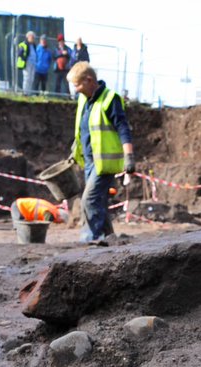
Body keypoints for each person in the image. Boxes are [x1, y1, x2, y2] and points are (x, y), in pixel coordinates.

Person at [67, 62, 135, 246]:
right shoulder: (84, 100)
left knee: (89, 199)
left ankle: (90, 240)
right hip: (89, 161)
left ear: (89, 80)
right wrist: (75, 151)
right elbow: (83, 130)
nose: (76, 90)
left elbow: (123, 128)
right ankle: (109, 239)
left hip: (104, 163)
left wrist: (129, 156)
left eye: (77, 85)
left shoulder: (109, 99)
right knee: (99, 202)